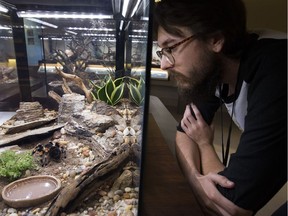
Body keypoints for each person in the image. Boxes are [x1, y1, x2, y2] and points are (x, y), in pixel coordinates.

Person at [154, 0, 287, 215]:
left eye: (171, 48)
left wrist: (204, 144)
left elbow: (232, 205)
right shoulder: (213, 69)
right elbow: (184, 131)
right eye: (162, 51)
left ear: (215, 39)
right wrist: (196, 178)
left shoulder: (276, 69)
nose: (164, 64)